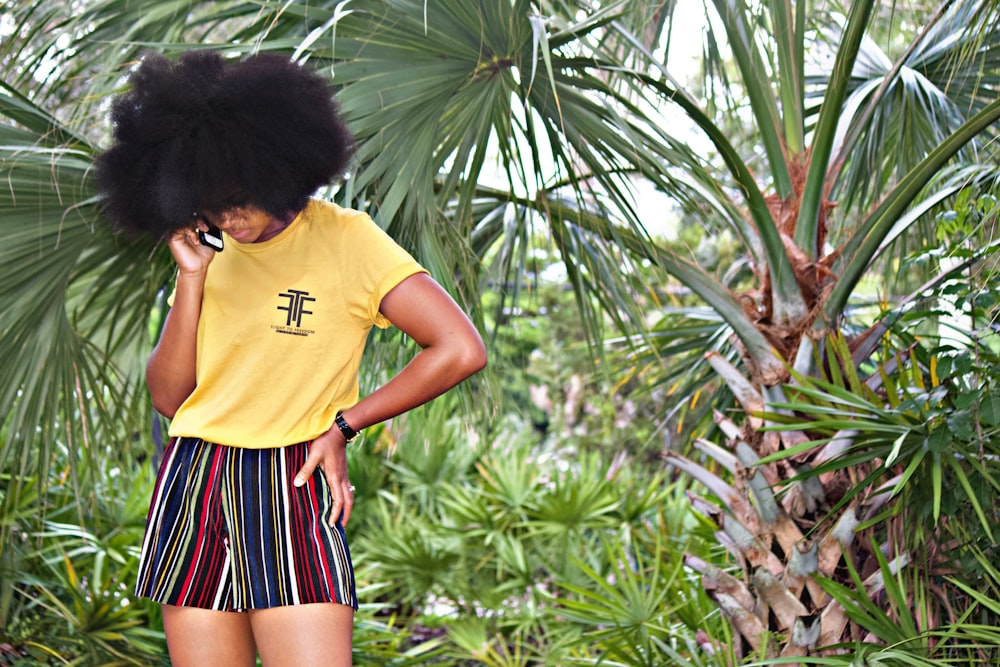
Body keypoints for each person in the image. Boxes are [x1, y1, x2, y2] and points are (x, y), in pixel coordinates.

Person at [95, 50, 487, 666]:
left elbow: (460, 349)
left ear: (279, 167)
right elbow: (171, 399)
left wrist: (345, 425)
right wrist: (192, 281)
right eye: (208, 201)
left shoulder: (348, 240)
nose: (227, 216)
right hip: (194, 478)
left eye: (238, 197)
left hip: (293, 478)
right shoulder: (207, 253)